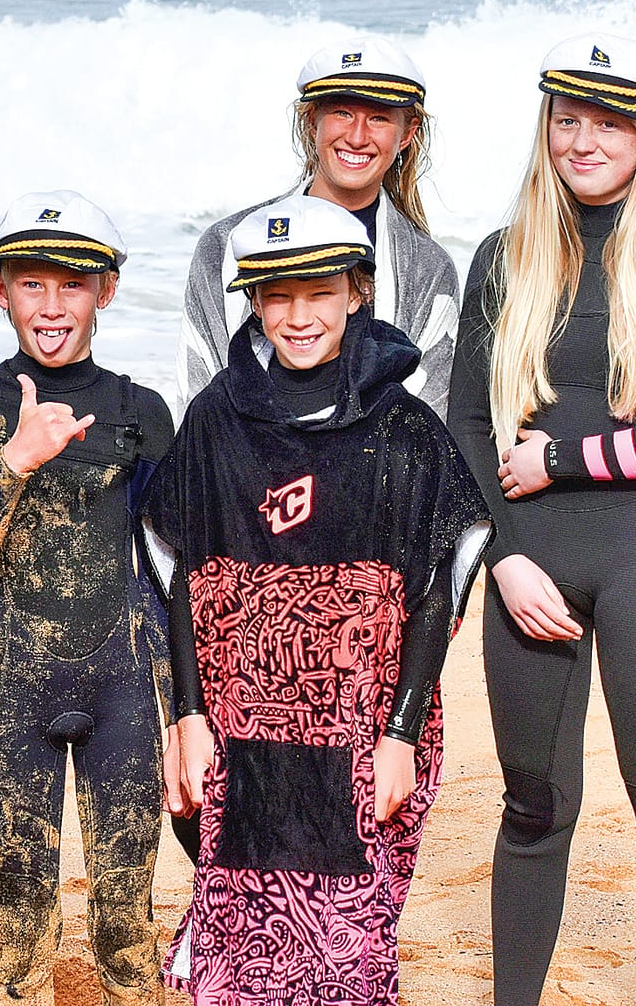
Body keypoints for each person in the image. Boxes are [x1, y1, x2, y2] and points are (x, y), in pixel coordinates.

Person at [149, 194, 487, 1002]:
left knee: (348, 951)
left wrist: (401, 733)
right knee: (239, 935)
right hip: (240, 732)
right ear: (253, 300)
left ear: (357, 291)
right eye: (277, 295)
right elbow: (178, 569)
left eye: (320, 293)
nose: (298, 317)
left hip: (362, 731)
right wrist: (187, 715)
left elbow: (438, 579)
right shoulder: (216, 419)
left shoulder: (401, 424)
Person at [446, 32, 636, 1006]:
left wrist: (562, 459)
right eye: (566, 119)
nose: (582, 141)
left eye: (607, 123)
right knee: (533, 807)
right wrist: (502, 561)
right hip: (530, 563)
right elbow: (469, 427)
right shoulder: (503, 257)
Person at [0, 191, 174, 1005]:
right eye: (31, 283)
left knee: (126, 921)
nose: (51, 305)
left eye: (72, 284)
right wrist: (18, 459)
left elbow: (169, 573)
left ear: (107, 289)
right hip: (15, 695)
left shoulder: (141, 411)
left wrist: (183, 712)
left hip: (123, 693)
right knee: (22, 916)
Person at [176, 37, 458, 418]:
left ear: (407, 134)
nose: (357, 136)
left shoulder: (428, 269)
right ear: (312, 121)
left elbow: (425, 420)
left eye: (378, 118)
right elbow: (199, 410)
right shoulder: (225, 247)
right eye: (342, 113)